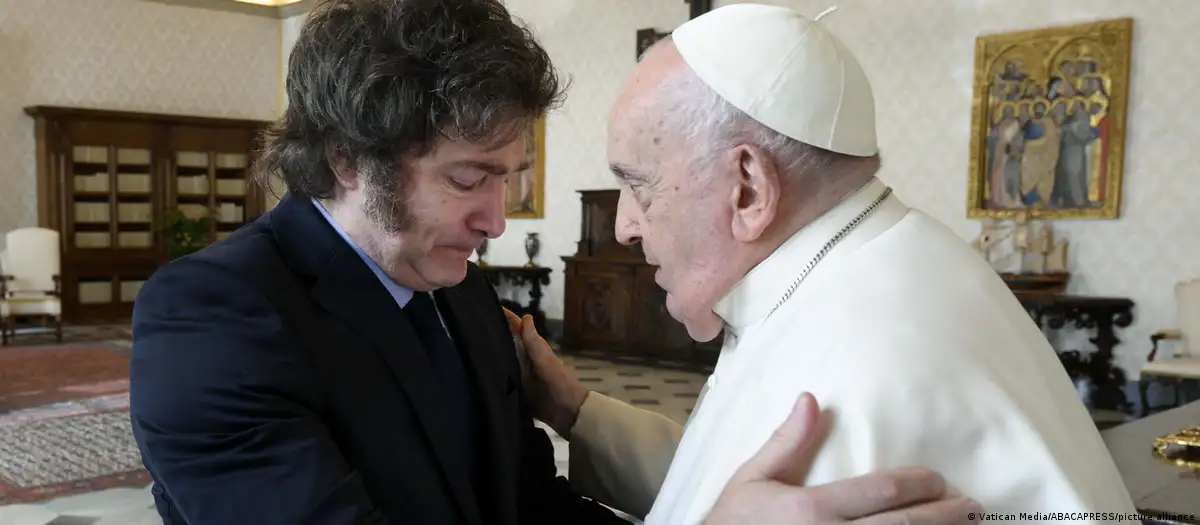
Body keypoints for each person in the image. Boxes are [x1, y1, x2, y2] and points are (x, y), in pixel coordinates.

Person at [126, 1, 972, 524]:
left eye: (510, 179)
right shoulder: (214, 316)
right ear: (350, 160)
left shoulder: (456, 290)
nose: (496, 219)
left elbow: (528, 503)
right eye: (470, 178)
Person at [515, 4, 1139, 525]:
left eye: (639, 186)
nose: (624, 224)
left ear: (748, 190)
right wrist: (577, 411)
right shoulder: (878, 264)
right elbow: (731, 484)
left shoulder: (865, 369)